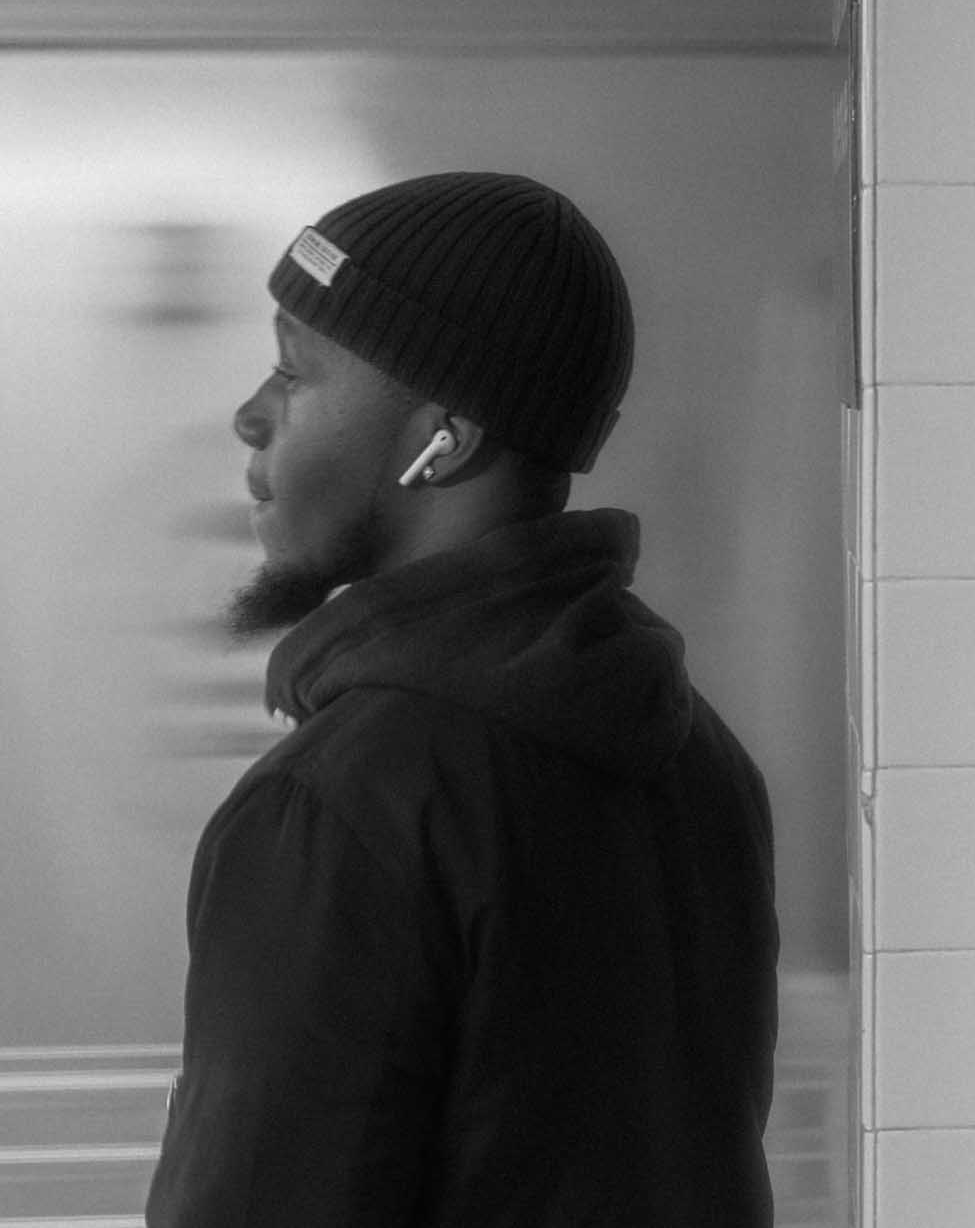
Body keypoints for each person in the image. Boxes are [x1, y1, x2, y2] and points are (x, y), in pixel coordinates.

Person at [147, 172, 779, 1227]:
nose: (248, 416)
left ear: (445, 439)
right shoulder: (699, 764)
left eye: (293, 374)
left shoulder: (341, 807)